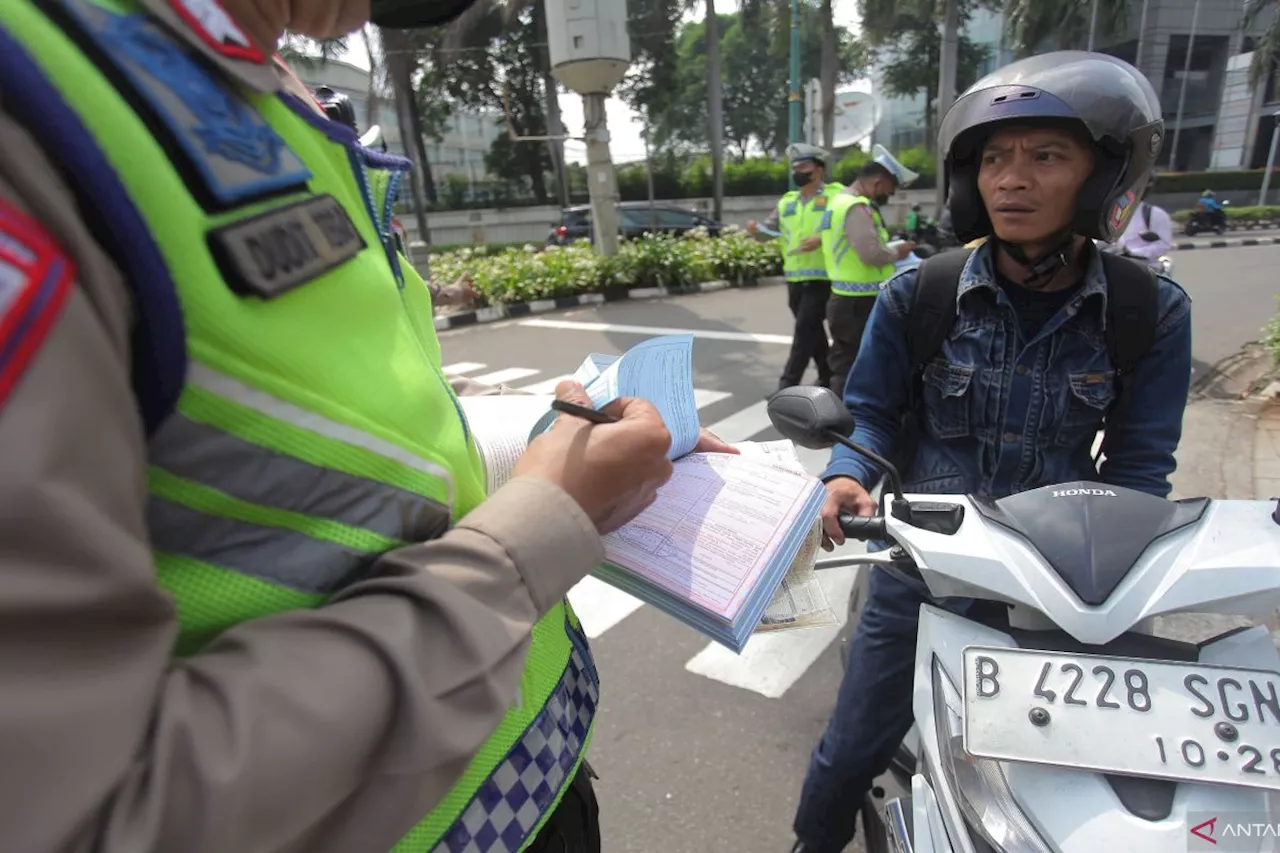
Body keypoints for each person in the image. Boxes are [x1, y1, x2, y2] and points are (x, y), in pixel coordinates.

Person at [0, 1, 739, 851]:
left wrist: (569, 443)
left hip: (539, 780)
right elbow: (84, 817)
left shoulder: (248, 76)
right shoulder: (36, 109)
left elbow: (350, 445)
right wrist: (539, 530)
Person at [790, 51, 1192, 853]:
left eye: (1046, 156)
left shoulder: (1150, 310)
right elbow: (869, 413)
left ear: (1105, 175)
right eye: (996, 158)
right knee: (848, 753)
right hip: (927, 568)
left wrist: (1121, 567)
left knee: (1086, 780)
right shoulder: (922, 292)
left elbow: (1142, 466)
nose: (1012, 178)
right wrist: (845, 474)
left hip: (1061, 582)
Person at [817, 144, 918, 396]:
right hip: (859, 303)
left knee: (845, 361)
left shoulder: (837, 202)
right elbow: (871, 254)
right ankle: (847, 425)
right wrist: (898, 252)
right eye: (889, 188)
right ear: (878, 181)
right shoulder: (856, 206)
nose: (890, 194)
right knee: (854, 365)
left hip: (843, 296)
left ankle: (840, 422)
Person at [747, 143, 843, 391]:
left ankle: (786, 386)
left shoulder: (836, 196)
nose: (798, 171)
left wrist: (821, 239)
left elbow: (845, 228)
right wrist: (757, 232)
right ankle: (828, 377)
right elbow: (770, 231)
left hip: (823, 278)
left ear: (819, 169)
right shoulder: (787, 201)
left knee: (803, 331)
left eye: (803, 166)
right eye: (795, 167)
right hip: (795, 279)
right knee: (813, 332)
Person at [1113, 183, 1174, 269]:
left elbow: (1163, 245)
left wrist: (1133, 252)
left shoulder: (1156, 214)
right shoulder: (1114, 215)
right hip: (1117, 265)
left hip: (1146, 268)